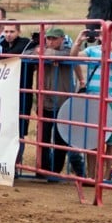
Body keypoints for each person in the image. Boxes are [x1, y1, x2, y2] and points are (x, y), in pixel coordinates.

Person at [24, 28, 86, 178]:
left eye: (54, 39)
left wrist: (43, 53)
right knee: (42, 138)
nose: (50, 41)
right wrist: (42, 53)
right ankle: (43, 170)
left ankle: (55, 171)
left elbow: (70, 55)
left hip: (63, 103)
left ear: (62, 39)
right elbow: (26, 54)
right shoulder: (42, 51)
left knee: (61, 140)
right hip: (45, 101)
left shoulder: (66, 51)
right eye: (48, 38)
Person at [71, 28, 112, 180]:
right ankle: (92, 176)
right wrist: (79, 40)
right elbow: (73, 57)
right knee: (92, 140)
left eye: (107, 31)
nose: (101, 34)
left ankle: (106, 177)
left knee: (111, 141)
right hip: (93, 99)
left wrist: (107, 42)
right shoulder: (92, 50)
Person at [0, 22, 34, 171]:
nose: (8, 34)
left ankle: (16, 164)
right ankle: (4, 163)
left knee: (19, 129)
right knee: (3, 127)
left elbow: (23, 52)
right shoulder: (1, 45)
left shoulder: (27, 44)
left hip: (22, 91)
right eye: (6, 31)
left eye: (11, 31)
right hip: (6, 92)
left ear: (18, 31)